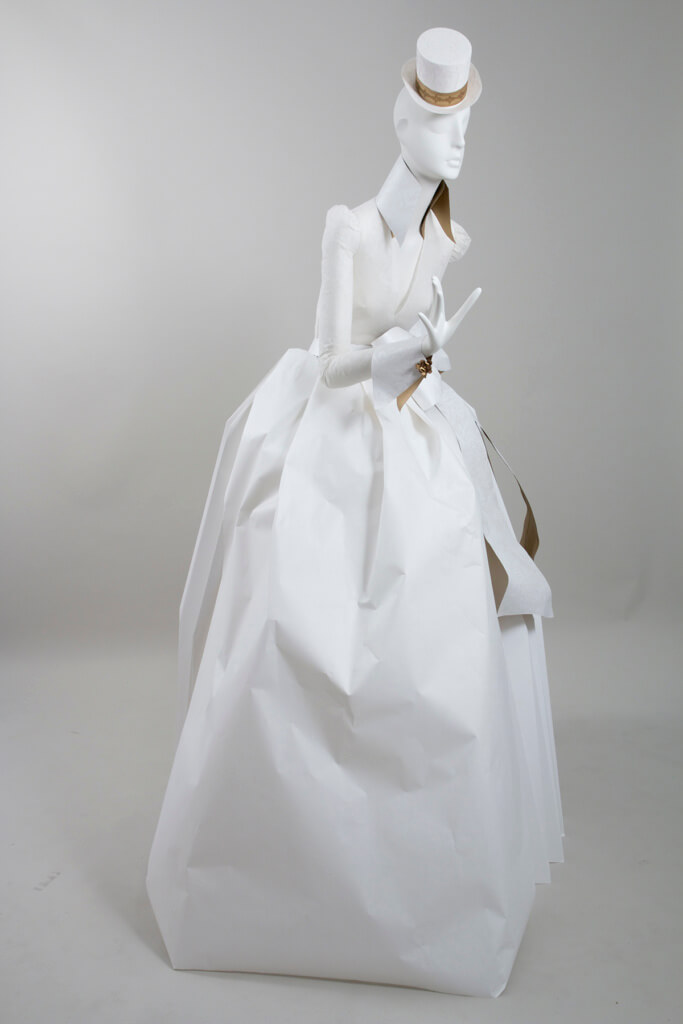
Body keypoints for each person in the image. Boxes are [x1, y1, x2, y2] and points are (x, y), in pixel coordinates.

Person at [146, 28, 564, 998]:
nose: (457, 144)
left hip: (405, 425)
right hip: (334, 435)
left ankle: (428, 877)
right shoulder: (349, 229)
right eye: (441, 125)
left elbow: (410, 344)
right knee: (292, 621)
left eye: (465, 126)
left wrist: (427, 351)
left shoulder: (443, 238)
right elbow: (333, 359)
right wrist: (395, 353)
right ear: (403, 122)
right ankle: (273, 864)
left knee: (441, 617)